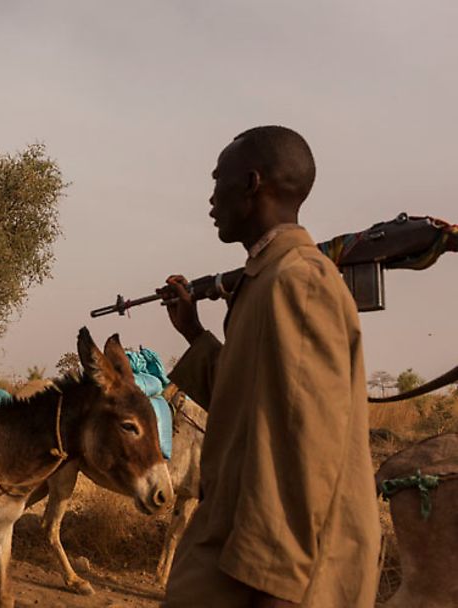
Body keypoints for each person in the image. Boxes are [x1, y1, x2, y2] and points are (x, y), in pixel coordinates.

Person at [160, 126, 380, 607]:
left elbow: (305, 451)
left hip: (265, 579)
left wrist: (277, 590)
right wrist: (194, 335)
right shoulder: (267, 280)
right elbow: (247, 407)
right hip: (234, 554)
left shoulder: (297, 281)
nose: (211, 198)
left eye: (219, 180)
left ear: (252, 183)